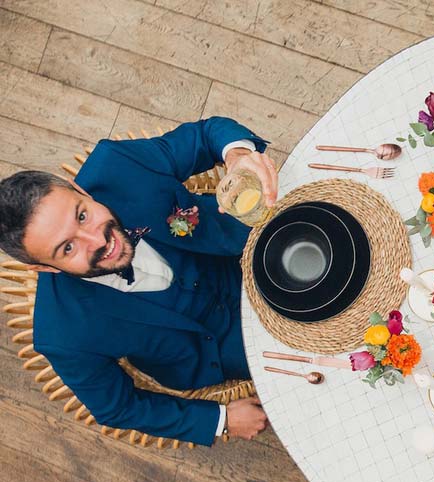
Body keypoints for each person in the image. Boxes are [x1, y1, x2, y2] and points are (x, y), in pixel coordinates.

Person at [0, 117, 279, 446]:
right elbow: (117, 408)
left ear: (79, 190)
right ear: (45, 268)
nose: (98, 240)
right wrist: (221, 419)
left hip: (253, 245)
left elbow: (204, 136)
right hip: (224, 348)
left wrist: (237, 157)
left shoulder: (115, 165)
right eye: (68, 247)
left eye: (82, 215)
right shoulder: (63, 336)